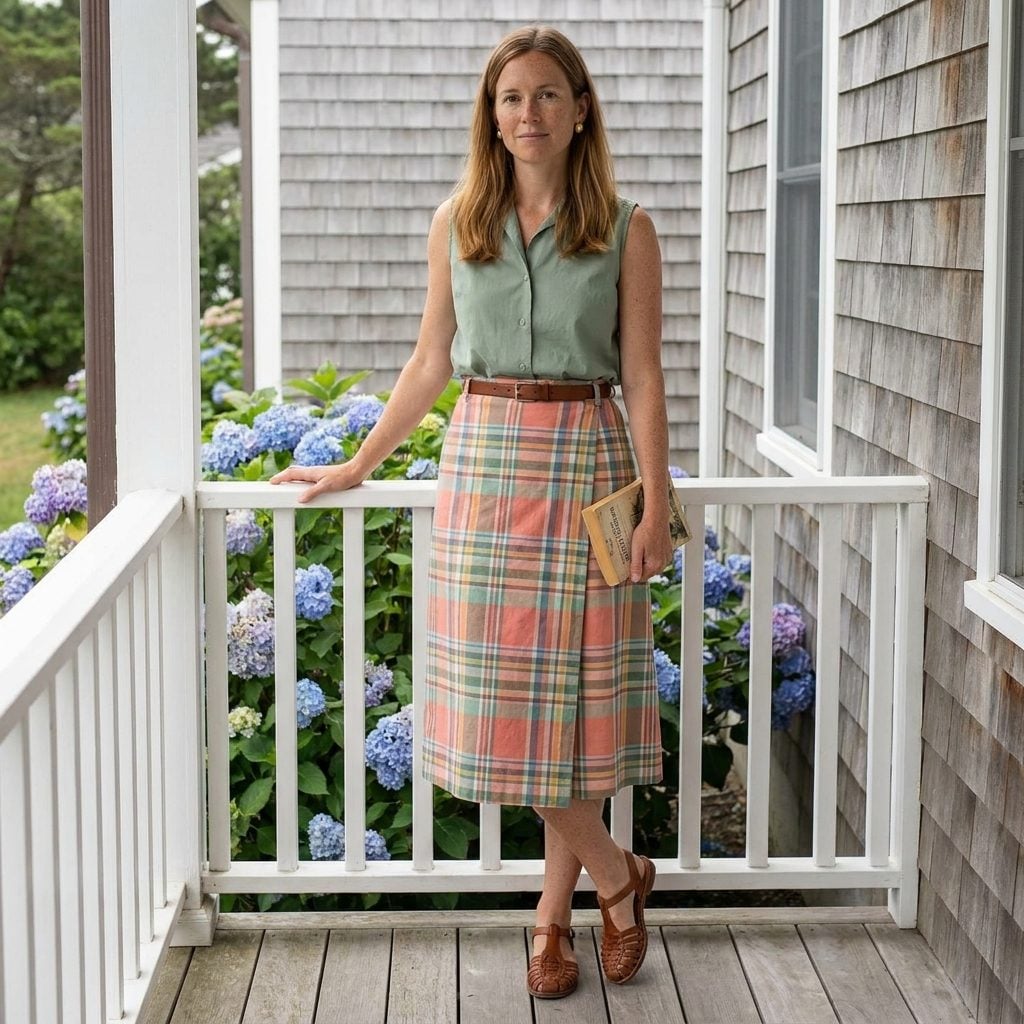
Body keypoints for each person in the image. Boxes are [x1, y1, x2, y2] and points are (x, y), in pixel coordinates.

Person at [270, 25, 671, 1000]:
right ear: (490, 117)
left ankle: (550, 920)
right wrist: (357, 462)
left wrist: (658, 505)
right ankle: (619, 877)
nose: (528, 113)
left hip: (590, 463)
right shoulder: (458, 223)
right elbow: (428, 363)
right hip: (485, 467)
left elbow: (646, 376)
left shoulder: (627, 229)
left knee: (572, 706)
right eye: (510, 98)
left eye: (546, 94)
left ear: (580, 110)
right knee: (503, 715)